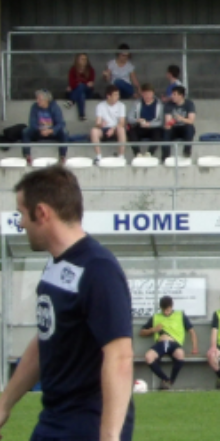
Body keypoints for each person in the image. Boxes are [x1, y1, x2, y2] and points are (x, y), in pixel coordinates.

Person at [0, 167, 135, 440]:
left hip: (88, 423)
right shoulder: (56, 265)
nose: (21, 223)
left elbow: (120, 356)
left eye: (21, 213)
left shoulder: (98, 269)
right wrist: (4, 405)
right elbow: (46, 339)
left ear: (42, 213)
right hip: (55, 418)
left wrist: (109, 436)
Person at [140, 295, 198, 390]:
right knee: (148, 357)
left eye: (168, 310)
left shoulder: (180, 315)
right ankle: (165, 379)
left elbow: (192, 331)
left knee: (180, 354)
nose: (166, 313)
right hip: (161, 343)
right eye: (164, 310)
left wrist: (195, 347)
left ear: (171, 307)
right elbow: (142, 332)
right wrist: (153, 329)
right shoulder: (156, 317)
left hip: (174, 343)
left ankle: (171, 381)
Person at [22, 90, 69, 166]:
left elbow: (61, 123)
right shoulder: (34, 107)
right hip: (39, 132)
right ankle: (27, 156)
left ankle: (62, 157)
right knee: (26, 131)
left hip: (52, 132)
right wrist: (40, 129)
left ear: (47, 100)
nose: (37, 101)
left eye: (40, 99)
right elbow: (32, 123)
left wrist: (51, 130)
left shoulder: (55, 107)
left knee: (64, 132)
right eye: (37, 99)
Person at [90, 85, 127, 163]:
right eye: (115, 95)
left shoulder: (121, 105)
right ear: (108, 96)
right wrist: (100, 124)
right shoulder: (100, 106)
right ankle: (98, 156)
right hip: (104, 129)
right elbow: (97, 123)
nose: (118, 97)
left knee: (121, 129)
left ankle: (121, 156)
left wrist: (113, 129)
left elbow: (122, 122)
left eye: (118, 95)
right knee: (94, 130)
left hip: (116, 128)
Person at [128, 83, 164, 158]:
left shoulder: (159, 104)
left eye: (149, 94)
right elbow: (129, 118)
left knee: (158, 133)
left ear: (153, 93)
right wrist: (137, 120)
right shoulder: (137, 103)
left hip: (153, 128)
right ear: (142, 94)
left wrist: (150, 124)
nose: (147, 96)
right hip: (140, 127)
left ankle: (149, 153)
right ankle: (138, 153)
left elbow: (161, 122)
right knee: (131, 132)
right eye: (145, 94)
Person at [162, 85, 196, 161]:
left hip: (184, 128)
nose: (172, 96)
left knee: (190, 128)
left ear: (181, 95)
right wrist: (169, 124)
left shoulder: (189, 104)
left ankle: (187, 151)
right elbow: (168, 121)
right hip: (174, 128)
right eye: (172, 94)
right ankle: (165, 156)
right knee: (166, 131)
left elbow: (191, 120)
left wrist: (181, 119)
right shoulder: (169, 104)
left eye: (174, 94)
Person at [66, 52, 95, 121]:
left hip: (88, 92)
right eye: (82, 59)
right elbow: (72, 83)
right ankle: (82, 115)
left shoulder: (91, 70)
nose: (84, 61)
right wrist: (83, 82)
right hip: (76, 92)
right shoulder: (73, 70)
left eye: (85, 59)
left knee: (81, 86)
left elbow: (90, 85)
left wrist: (79, 82)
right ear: (77, 60)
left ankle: (72, 101)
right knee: (81, 94)